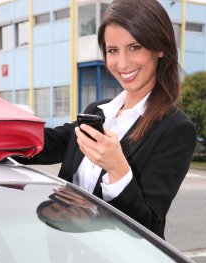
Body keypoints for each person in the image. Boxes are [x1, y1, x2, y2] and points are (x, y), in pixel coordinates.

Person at [16, 0, 196, 239]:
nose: (122, 63)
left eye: (135, 47)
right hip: (78, 258)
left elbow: (149, 223)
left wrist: (117, 168)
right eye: (113, 50)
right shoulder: (99, 111)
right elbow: (45, 144)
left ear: (159, 48)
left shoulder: (175, 129)